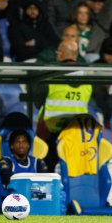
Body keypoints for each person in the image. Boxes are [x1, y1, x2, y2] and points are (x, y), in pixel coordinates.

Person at [35, 39, 92, 172]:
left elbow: (37, 101)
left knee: (48, 175)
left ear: (60, 54)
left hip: (50, 134)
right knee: (72, 175)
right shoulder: (87, 77)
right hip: (77, 136)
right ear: (76, 55)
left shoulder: (51, 75)